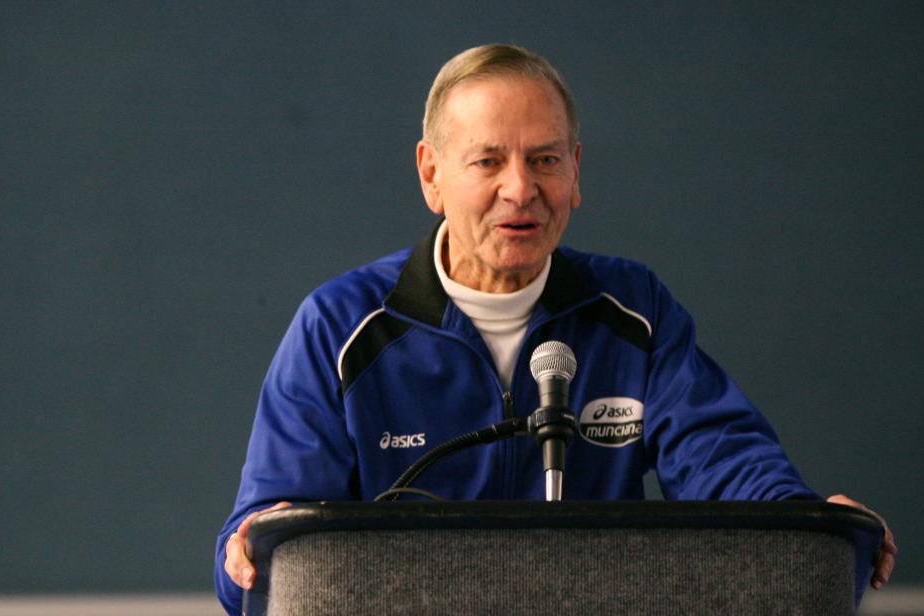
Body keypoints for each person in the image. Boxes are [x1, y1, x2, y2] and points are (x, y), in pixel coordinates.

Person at [214, 44, 896, 614]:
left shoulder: (631, 309)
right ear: (431, 174)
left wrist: (804, 521)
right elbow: (261, 545)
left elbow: (720, 457)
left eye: (544, 159)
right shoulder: (340, 325)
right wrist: (251, 549)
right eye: (487, 161)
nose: (520, 188)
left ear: (575, 173)